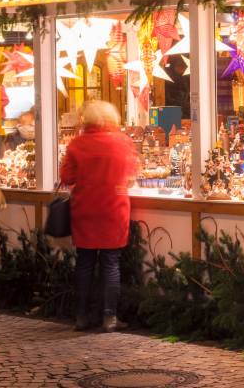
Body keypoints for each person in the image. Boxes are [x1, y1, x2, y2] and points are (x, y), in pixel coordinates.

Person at [60, 101, 137, 332]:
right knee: (111, 263)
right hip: (113, 209)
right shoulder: (122, 142)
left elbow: (66, 177)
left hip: (85, 209)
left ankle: (82, 316)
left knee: (84, 263)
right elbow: (132, 173)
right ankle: (109, 317)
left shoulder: (77, 144)